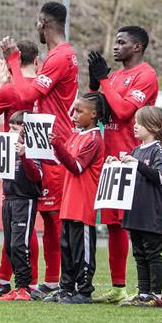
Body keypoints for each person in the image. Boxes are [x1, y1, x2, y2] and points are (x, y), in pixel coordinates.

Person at [3, 3, 79, 300]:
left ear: (42, 23)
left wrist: (12, 61)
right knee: (46, 217)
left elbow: (28, 94)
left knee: (56, 217)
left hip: (54, 142)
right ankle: (50, 280)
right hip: (41, 140)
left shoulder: (61, 56)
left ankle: (63, 280)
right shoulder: (56, 55)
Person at [87, 25, 159, 303]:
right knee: (114, 226)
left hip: (135, 158)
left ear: (137, 47)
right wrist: (95, 83)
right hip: (111, 159)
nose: (115, 47)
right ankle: (118, 287)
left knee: (136, 227)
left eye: (121, 42)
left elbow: (125, 110)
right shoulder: (116, 75)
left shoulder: (146, 75)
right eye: (115, 42)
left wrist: (104, 81)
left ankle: (148, 290)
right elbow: (101, 107)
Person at [0, 39, 41, 296]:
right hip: (45, 156)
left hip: (18, 160)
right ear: (37, 61)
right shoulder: (43, 87)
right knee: (38, 225)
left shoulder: (9, 91)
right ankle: (42, 280)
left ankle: (21, 282)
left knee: (19, 226)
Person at [47, 93, 108, 304]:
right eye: (73, 110)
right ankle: (66, 288)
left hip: (83, 204)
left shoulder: (94, 139)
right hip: (69, 202)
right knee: (67, 248)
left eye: (79, 111)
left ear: (93, 114)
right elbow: (61, 162)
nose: (73, 115)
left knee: (82, 251)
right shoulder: (76, 135)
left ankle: (84, 291)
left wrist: (58, 146)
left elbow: (76, 166)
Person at [117, 105, 162, 307]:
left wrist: (136, 164)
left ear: (153, 126)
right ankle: (144, 292)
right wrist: (118, 164)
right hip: (135, 211)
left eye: (139, 122)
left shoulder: (158, 150)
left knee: (153, 253)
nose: (135, 125)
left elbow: (159, 176)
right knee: (139, 253)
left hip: (152, 213)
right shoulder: (137, 150)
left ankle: (156, 295)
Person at [0, 110, 43, 301]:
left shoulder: (34, 148)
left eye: (16, 126)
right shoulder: (7, 146)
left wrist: (24, 155)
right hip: (9, 199)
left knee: (19, 244)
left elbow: (36, 176)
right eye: (10, 126)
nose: (11, 129)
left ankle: (25, 287)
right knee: (9, 245)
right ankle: (17, 287)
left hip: (25, 200)